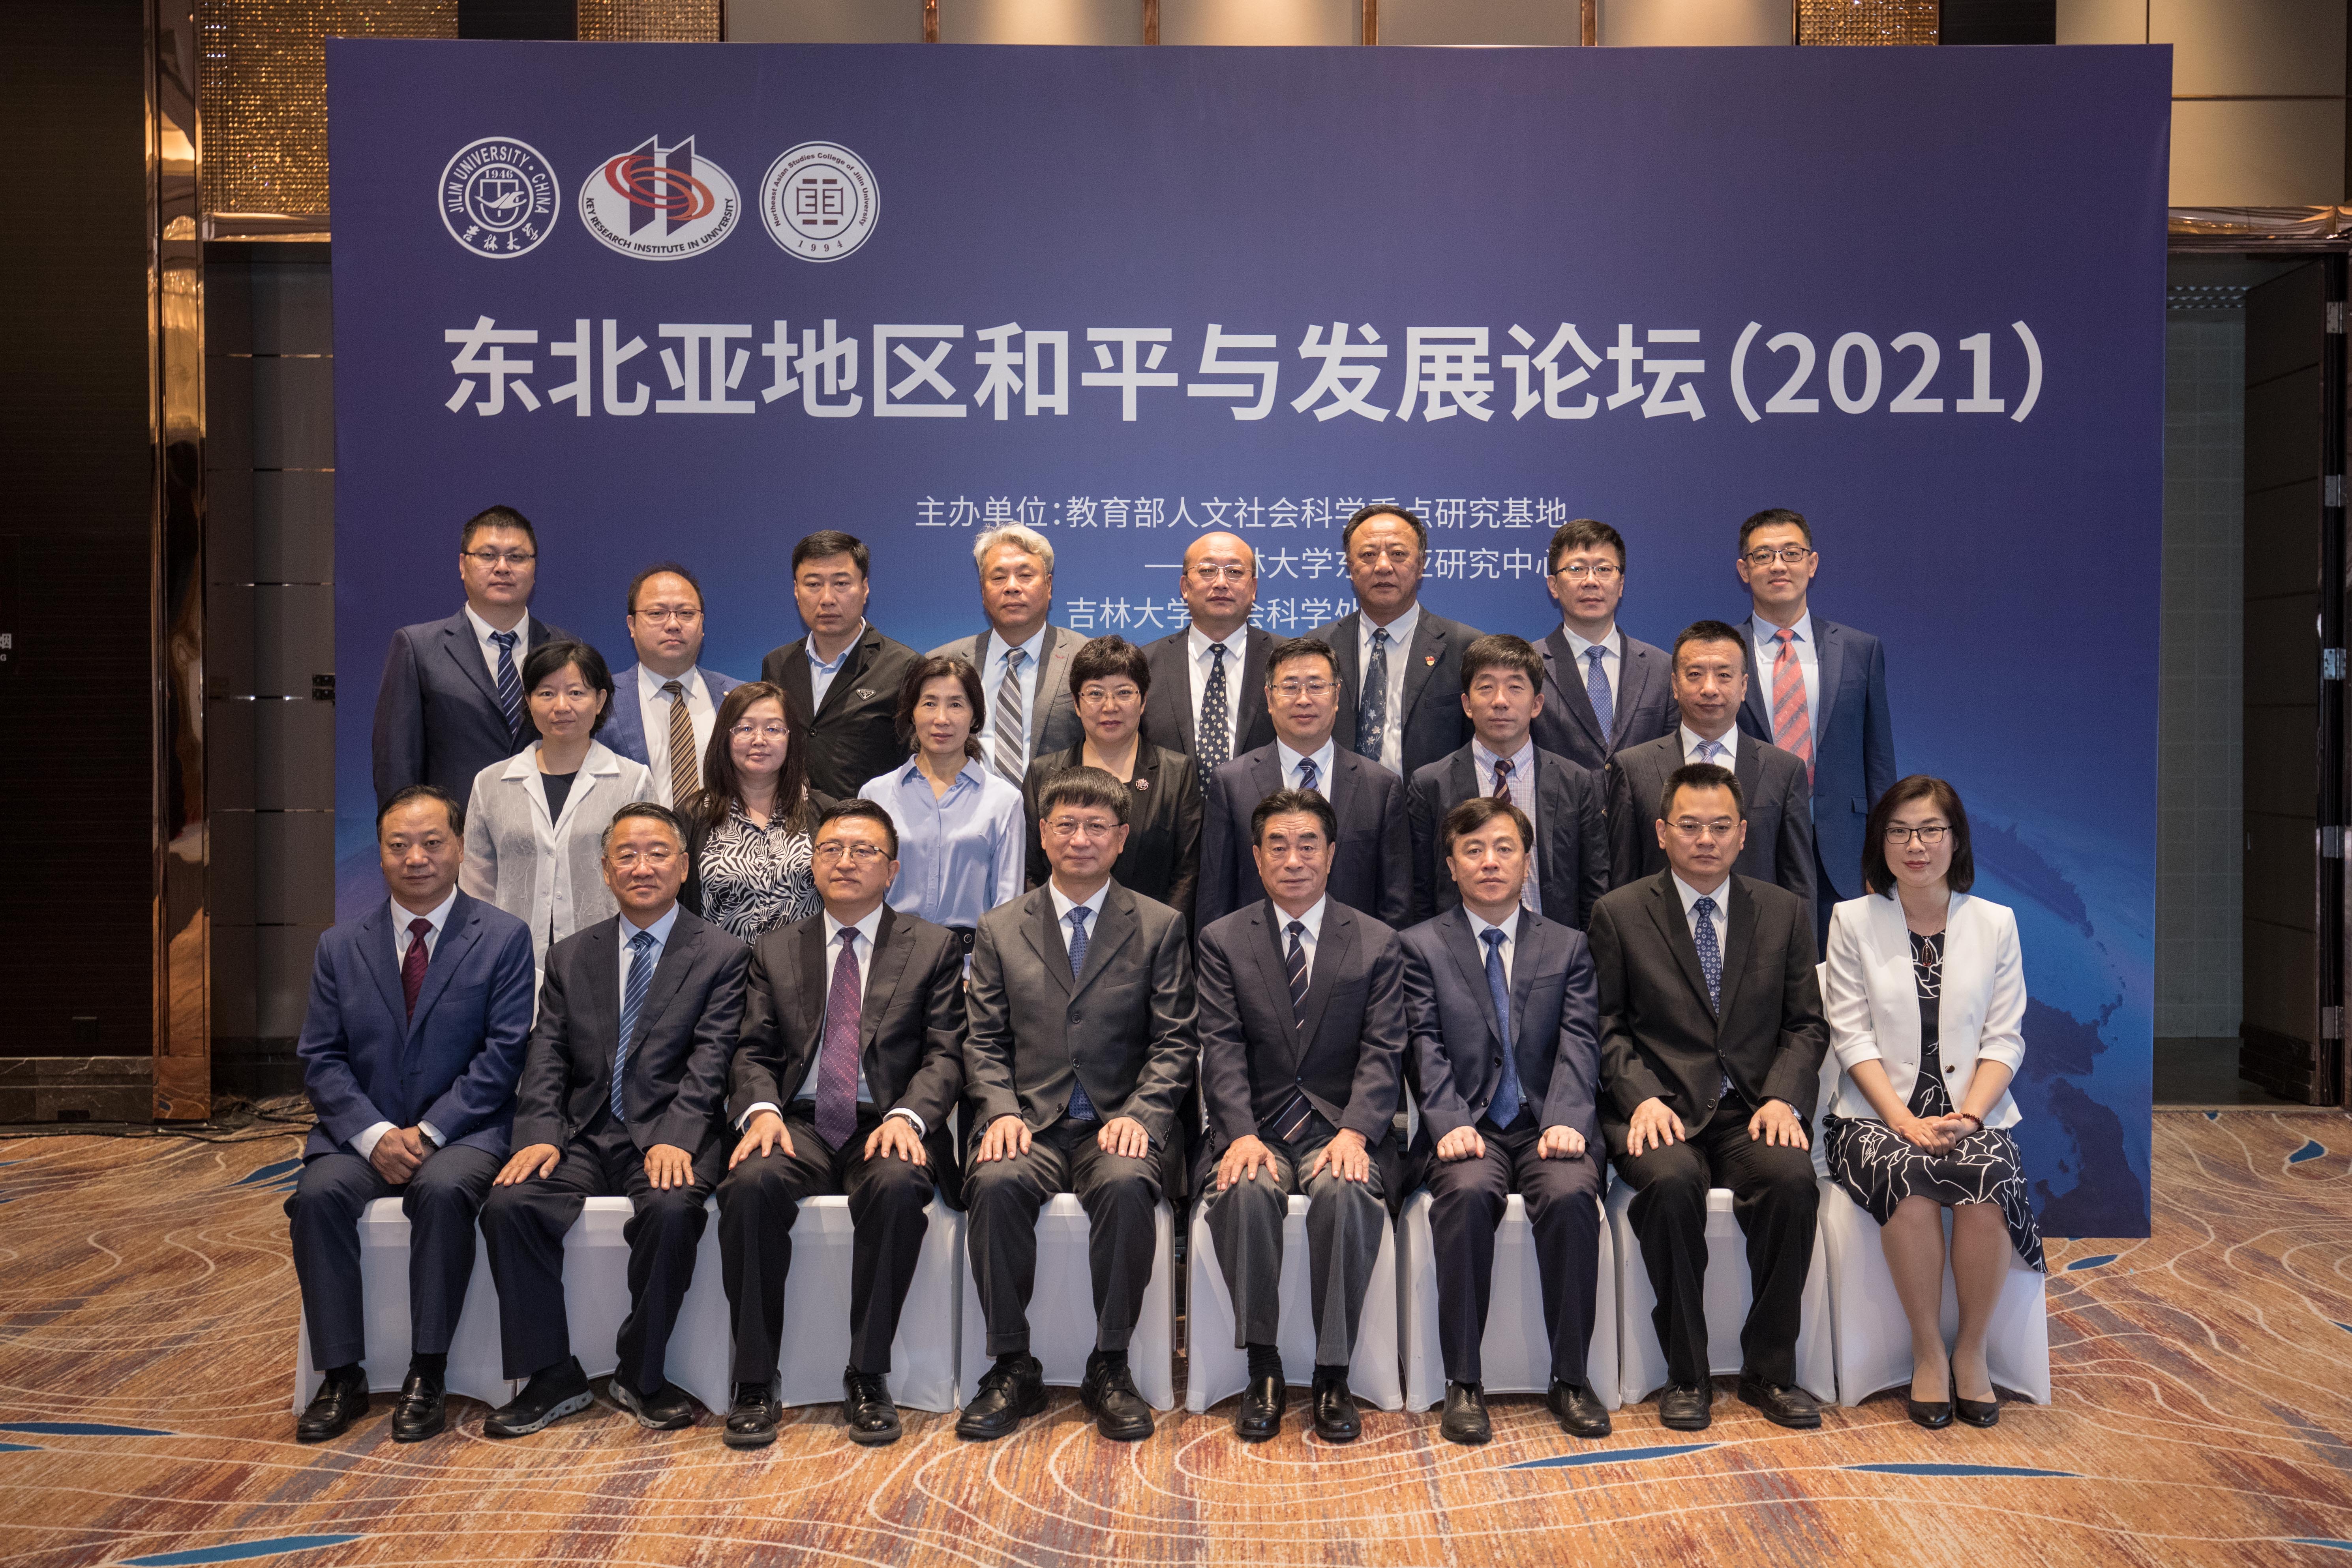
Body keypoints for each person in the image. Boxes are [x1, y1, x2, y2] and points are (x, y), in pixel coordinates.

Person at [478, 803, 750, 1438]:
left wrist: (678, 1138)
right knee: (509, 1205)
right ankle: (551, 1373)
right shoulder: (572, 955)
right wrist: (539, 1134)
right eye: (626, 855)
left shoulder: (722, 954)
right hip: (582, 1131)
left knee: (672, 1210)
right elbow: (547, 1054)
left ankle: (641, 1372)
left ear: (684, 867)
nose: (642, 867)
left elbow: (713, 1061)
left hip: (669, 1130)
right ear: (605, 871)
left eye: (657, 854)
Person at [714, 800, 968, 1448]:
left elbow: (946, 1054)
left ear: (892, 869)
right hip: (795, 1120)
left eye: (863, 850)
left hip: (886, 1119)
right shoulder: (775, 947)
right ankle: (753, 1379)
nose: (845, 861)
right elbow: (751, 1051)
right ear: (813, 864)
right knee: (749, 1184)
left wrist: (910, 1116)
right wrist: (761, 1110)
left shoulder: (933, 946)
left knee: (897, 1185)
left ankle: (867, 1373)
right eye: (830, 849)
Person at [287, 786, 536, 1444]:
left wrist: (428, 1132)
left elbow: (505, 1052)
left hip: (464, 1131)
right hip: (361, 1133)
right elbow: (321, 1057)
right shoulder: (340, 945)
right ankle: (341, 1375)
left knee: (443, 1191)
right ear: (380, 855)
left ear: (459, 847)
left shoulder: (504, 937)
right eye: (399, 845)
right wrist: (373, 1135)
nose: (416, 858)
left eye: (431, 842)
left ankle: (428, 1370)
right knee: (316, 1197)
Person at [1588, 762, 1829, 1433]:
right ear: (1660, 831)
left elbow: (1806, 1025)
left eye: (1719, 827)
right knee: (1670, 1187)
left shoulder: (1781, 912)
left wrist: (1782, 1097)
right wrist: (1639, 1096)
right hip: (1660, 1110)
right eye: (1689, 826)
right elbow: (1603, 1027)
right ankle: (1686, 1374)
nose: (1705, 840)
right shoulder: (1618, 913)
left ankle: (1768, 1372)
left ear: (1743, 833)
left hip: (1751, 1110)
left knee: (1791, 1183)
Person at [957, 767, 1196, 1444]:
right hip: (1029, 1124)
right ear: (1042, 834)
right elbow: (982, 1039)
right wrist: (1000, 1110)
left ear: (1121, 838)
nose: (1080, 839)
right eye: (1066, 825)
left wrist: (1143, 1115)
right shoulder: (1000, 927)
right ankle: (1012, 1365)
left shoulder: (1159, 925)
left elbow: (1176, 1039)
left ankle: (1110, 1364)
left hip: (1116, 1122)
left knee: (1125, 1186)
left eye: (1097, 827)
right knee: (994, 1183)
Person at [1820, 776, 2040, 1430]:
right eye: (1899, 832)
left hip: (1972, 1111)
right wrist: (1902, 1120)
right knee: (1907, 1181)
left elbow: (2004, 1037)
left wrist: (1970, 1116)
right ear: (1880, 842)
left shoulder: (1995, 924)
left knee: (1987, 1179)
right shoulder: (1851, 921)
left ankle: (1970, 1351)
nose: (1914, 846)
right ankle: (1926, 1351)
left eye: (1929, 831)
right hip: (1874, 1115)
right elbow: (1851, 1035)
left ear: (1954, 840)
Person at [1195, 790, 1405, 1444]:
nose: (1293, 860)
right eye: (1277, 846)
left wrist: (1356, 1131)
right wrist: (1239, 1133)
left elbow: (1384, 1049)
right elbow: (1221, 1046)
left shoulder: (1375, 941)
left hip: (1338, 1126)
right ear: (1256, 857)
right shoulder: (1223, 940)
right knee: (1245, 1188)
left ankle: (1332, 1372)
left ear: (1331, 854)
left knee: (1345, 1191)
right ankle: (1262, 1366)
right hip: (1254, 1124)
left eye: (1307, 844)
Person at [1400, 798, 1609, 1446]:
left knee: (1571, 1196)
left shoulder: (1567, 944)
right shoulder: (1420, 946)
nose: (1488, 862)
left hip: (1548, 1124)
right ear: (1450, 865)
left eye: (1503, 848)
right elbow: (1422, 1043)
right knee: (1464, 1195)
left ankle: (1569, 1378)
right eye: (1472, 850)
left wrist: (1568, 1117)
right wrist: (1446, 1120)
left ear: (1526, 861)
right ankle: (1463, 1382)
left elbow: (1580, 1041)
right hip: (1468, 1126)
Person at [1731, 508, 1897, 942]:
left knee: (1842, 977)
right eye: (1764, 555)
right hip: (1752, 850)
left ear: (1812, 563)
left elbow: (1879, 763)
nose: (1779, 565)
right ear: (1744, 570)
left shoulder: (1860, 650)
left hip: (1845, 853)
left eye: (1791, 552)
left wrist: (1883, 855)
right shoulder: (1722, 654)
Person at [460, 638, 653, 973]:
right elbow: (477, 886)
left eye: (576, 693)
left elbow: (648, 877)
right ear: (528, 701)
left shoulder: (633, 781)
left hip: (606, 962)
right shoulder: (491, 783)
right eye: (547, 693)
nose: (561, 706)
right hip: (510, 965)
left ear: (600, 700)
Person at [1197, 637, 1411, 931]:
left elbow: (1397, 904)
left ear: (1337, 696)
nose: (1303, 699)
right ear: (1269, 699)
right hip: (1256, 952)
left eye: (1316, 686)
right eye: (1289, 687)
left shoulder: (1381, 786)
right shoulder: (1231, 783)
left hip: (1356, 954)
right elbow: (1214, 900)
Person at [372, 505, 573, 808]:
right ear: (463, 565)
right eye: (488, 555)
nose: (502, 567)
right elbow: (397, 765)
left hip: (550, 828)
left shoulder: (566, 647)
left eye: (517, 557)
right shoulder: (418, 648)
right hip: (457, 831)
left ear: (534, 569)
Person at [1605, 621, 1814, 911]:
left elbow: (1799, 885)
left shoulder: (1784, 770)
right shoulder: (1633, 768)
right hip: (1659, 933)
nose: (1710, 689)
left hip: (1758, 934)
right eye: (1695, 675)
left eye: (1724, 675)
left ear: (1744, 686)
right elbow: (1623, 881)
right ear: (1675, 685)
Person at [1407, 633, 1608, 929]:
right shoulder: (1430, 785)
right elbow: (1420, 892)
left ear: (1537, 704)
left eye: (1515, 687)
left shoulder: (1576, 782)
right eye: (1486, 687)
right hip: (1458, 950)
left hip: (1556, 948)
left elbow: (1594, 886)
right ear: (1467, 704)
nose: (1500, 701)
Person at [1022, 635, 1203, 928]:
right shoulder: (1044, 773)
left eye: (1124, 693)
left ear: (1143, 701)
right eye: (1095, 694)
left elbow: (1187, 873)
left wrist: (1160, 938)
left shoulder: (1177, 773)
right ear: (1077, 703)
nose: (1110, 706)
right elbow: (1030, 871)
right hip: (1062, 934)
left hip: (1150, 939)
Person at [859, 656, 1027, 948]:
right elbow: (863, 893)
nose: (942, 719)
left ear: (975, 717)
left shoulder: (1004, 800)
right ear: (912, 713)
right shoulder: (876, 795)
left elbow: (1008, 904)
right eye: (929, 703)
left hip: (970, 961)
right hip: (889, 956)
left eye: (956, 705)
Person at [1313, 505, 1481, 780]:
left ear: (1421, 565)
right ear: (1350, 566)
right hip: (1338, 802)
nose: (1383, 566)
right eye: (1368, 555)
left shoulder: (1466, 648)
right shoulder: (1317, 646)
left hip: (1431, 804)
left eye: (1398, 554)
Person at [759, 531, 922, 799]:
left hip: (867, 821)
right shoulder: (777, 664)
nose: (827, 598)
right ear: (796, 591)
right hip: (789, 821)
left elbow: (917, 766)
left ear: (865, 588)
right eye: (813, 584)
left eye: (841, 583)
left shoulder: (904, 667)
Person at [929, 525, 1082, 787]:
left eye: (1025, 575)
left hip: (1060, 810)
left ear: (1049, 585)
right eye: (999, 578)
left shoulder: (1083, 657)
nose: (1012, 587)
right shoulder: (944, 663)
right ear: (983, 590)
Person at [1530, 518, 1678, 775]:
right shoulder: (1528, 666)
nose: (1591, 581)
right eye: (1576, 569)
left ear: (1621, 585)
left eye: (1603, 569)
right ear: (1553, 586)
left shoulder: (1662, 668)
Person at [680, 681, 822, 942]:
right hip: (719, 966)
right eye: (745, 728)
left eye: (773, 729)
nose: (759, 740)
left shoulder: (823, 812)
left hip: (803, 965)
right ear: (725, 737)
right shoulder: (692, 817)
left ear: (790, 738)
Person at [601, 563, 745, 810]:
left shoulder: (738, 697)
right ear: (632, 625)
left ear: (702, 624)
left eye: (686, 613)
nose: (673, 624)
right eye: (657, 613)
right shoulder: (603, 699)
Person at [1141, 532, 1277, 770]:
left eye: (1235, 572)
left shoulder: (1286, 660)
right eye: (1207, 570)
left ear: (1254, 588)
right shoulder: (1145, 665)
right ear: (1185, 587)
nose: (1221, 583)